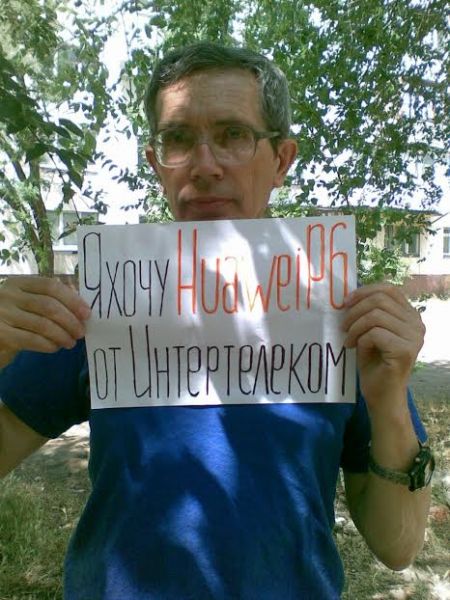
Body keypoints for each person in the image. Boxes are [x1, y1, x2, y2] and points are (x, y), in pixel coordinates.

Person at [0, 42, 434, 600]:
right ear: (156, 163)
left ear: (281, 160)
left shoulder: (341, 316)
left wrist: (389, 398)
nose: (204, 166)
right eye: (178, 139)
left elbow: (398, 547)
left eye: (233, 134)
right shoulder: (104, 303)